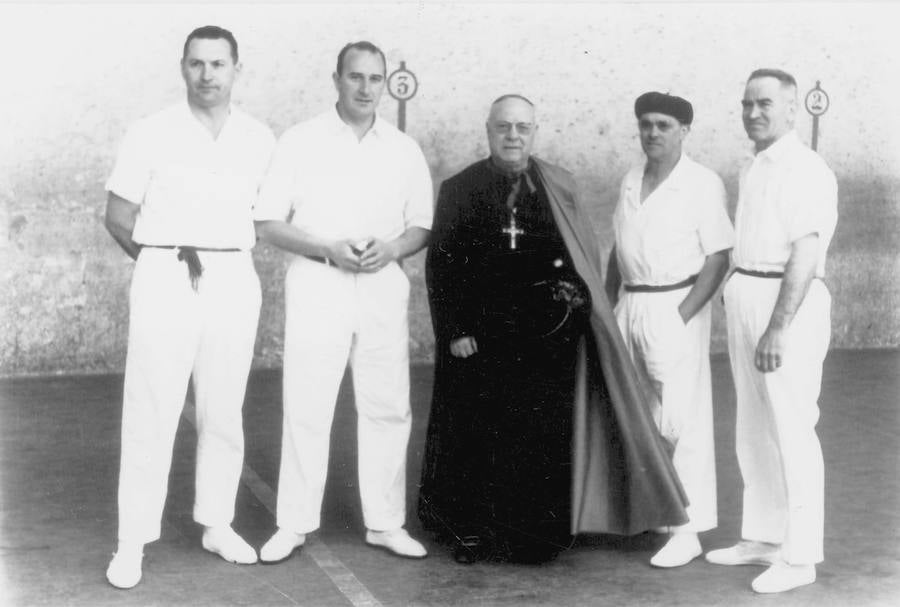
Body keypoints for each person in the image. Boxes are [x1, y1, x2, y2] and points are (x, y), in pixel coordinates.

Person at [419, 94, 690, 565]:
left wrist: (573, 310)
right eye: (504, 127)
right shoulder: (460, 188)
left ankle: (534, 535)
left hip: (542, 339)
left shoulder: (556, 186)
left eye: (522, 128)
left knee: (538, 437)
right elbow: (442, 266)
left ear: (534, 131)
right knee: (478, 435)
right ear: (488, 130)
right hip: (479, 339)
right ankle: (471, 532)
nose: (513, 136)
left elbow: (579, 258)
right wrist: (456, 328)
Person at [103, 26, 276, 589]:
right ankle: (131, 543)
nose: (208, 75)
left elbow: (264, 218)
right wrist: (160, 263)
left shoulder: (257, 138)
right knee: (152, 409)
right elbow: (118, 216)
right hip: (165, 273)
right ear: (183, 68)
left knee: (224, 409)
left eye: (218, 64)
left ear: (235, 70)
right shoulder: (150, 132)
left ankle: (217, 523)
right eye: (197, 64)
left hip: (233, 275)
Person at [253, 41, 432, 562]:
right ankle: (294, 523)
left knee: (387, 405)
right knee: (307, 404)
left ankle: (385, 522)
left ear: (385, 83)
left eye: (374, 79)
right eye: (355, 77)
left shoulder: (404, 149)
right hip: (317, 284)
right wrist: (326, 248)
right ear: (336, 79)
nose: (365, 88)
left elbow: (421, 225)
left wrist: (393, 248)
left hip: (381, 286)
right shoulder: (299, 140)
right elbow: (267, 223)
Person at [705, 69, 838, 594]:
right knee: (754, 427)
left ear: (792, 108)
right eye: (746, 104)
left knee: (791, 427)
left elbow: (806, 252)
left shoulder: (806, 169)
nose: (753, 113)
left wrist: (778, 327)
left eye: (764, 104)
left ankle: (800, 556)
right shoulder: (754, 167)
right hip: (748, 293)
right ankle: (763, 538)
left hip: (787, 303)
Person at [605, 92, 733, 568]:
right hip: (629, 303)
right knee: (639, 413)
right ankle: (658, 514)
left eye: (663, 125)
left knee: (682, 418)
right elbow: (618, 250)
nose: (653, 133)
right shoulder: (630, 179)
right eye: (645, 124)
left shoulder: (702, 183)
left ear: (684, 131)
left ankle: (688, 530)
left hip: (675, 304)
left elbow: (718, 257)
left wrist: (682, 316)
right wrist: (607, 304)